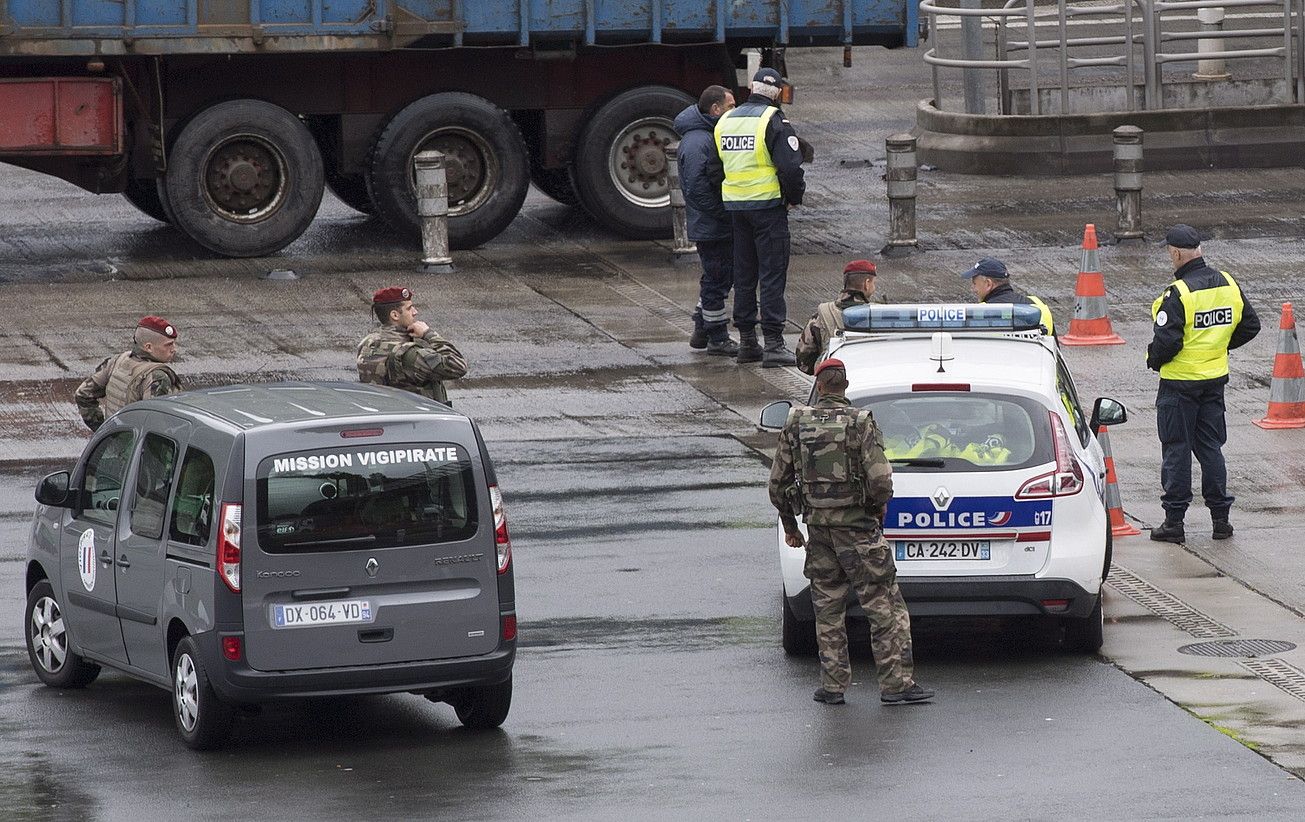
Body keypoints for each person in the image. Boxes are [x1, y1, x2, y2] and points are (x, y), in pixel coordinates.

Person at [768, 358, 934, 707]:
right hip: (859, 532)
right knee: (883, 604)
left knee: (827, 607)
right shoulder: (860, 423)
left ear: (820, 385)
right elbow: (880, 481)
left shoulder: (796, 422)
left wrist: (791, 527)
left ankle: (832, 686)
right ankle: (896, 685)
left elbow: (776, 485)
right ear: (844, 385)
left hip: (819, 533)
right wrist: (876, 510)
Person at [1147, 225, 1260, 543]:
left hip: (1179, 384)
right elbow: (1251, 324)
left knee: (1176, 450)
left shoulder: (1178, 293)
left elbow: (1166, 342)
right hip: (1213, 380)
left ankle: (1174, 523)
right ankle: (1221, 521)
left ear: (1176, 253)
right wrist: (1218, 346)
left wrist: (1153, 360)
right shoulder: (1227, 282)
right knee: (1211, 448)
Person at [706, 67, 806, 367]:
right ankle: (774, 344)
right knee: (772, 274)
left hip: (737, 209)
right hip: (768, 208)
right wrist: (794, 198)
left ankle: (748, 342)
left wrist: (730, 194)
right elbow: (790, 168)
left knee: (744, 275)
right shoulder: (773, 120)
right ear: (776, 95)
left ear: (750, 89)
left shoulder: (725, 120)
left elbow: (713, 169)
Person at [674, 85, 739, 357]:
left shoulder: (706, 135)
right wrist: (724, 214)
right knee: (717, 279)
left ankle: (702, 329)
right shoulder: (699, 141)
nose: (735, 111)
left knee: (718, 277)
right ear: (715, 109)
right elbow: (697, 188)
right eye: (731, 106)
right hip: (711, 225)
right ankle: (717, 337)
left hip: (711, 223)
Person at [357, 286, 467, 405]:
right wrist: (428, 334)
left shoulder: (367, 343)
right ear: (395, 315)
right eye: (409, 308)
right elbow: (458, 366)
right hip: (418, 420)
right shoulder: (409, 354)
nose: (415, 312)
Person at [74, 315, 182, 432]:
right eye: (168, 345)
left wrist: (103, 431)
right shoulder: (158, 377)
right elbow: (155, 425)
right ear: (148, 347)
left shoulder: (117, 361)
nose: (174, 349)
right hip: (139, 448)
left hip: (115, 443)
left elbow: (83, 394)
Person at [794, 260, 878, 374]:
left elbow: (803, 362)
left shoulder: (821, 315)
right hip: (868, 382)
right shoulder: (878, 316)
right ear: (867, 284)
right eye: (873, 283)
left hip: (833, 384)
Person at [961, 257, 1055, 337]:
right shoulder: (1038, 306)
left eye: (974, 284)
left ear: (988, 284)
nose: (972, 289)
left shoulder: (981, 313)